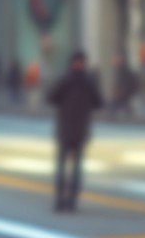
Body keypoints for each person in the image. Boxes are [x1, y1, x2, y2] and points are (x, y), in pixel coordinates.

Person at [47, 52, 104, 213]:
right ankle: (66, 200)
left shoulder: (67, 79)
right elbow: (98, 102)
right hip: (77, 130)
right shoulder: (86, 81)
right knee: (71, 168)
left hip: (69, 130)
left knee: (68, 167)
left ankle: (65, 200)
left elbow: (52, 98)